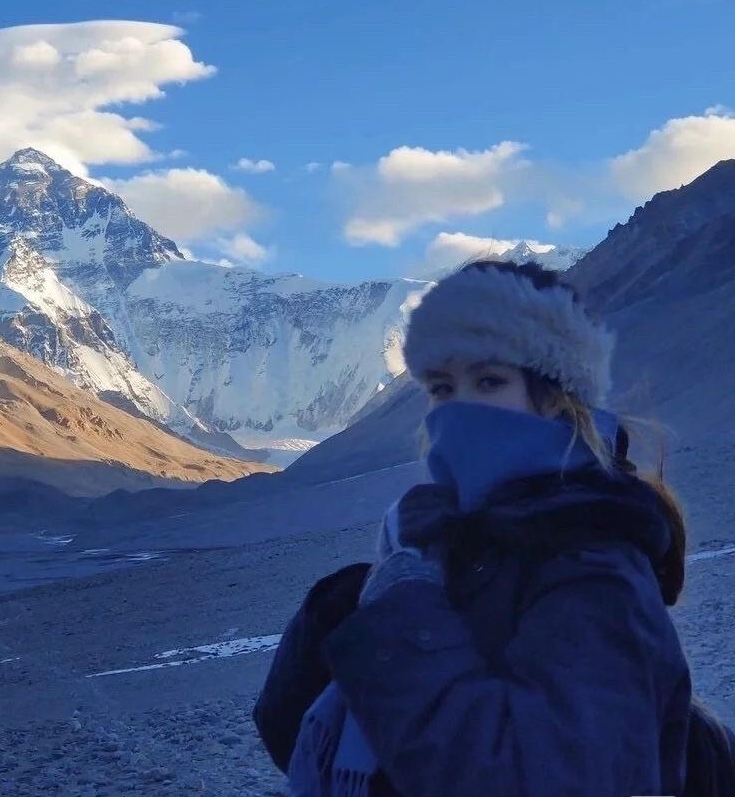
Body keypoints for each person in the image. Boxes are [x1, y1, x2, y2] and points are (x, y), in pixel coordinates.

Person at [253, 259, 735, 796]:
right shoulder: (435, 551)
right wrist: (339, 614)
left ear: (553, 395)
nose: (458, 410)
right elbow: (289, 735)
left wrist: (400, 617)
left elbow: (535, 779)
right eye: (441, 387)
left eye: (487, 381)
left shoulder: (595, 569)